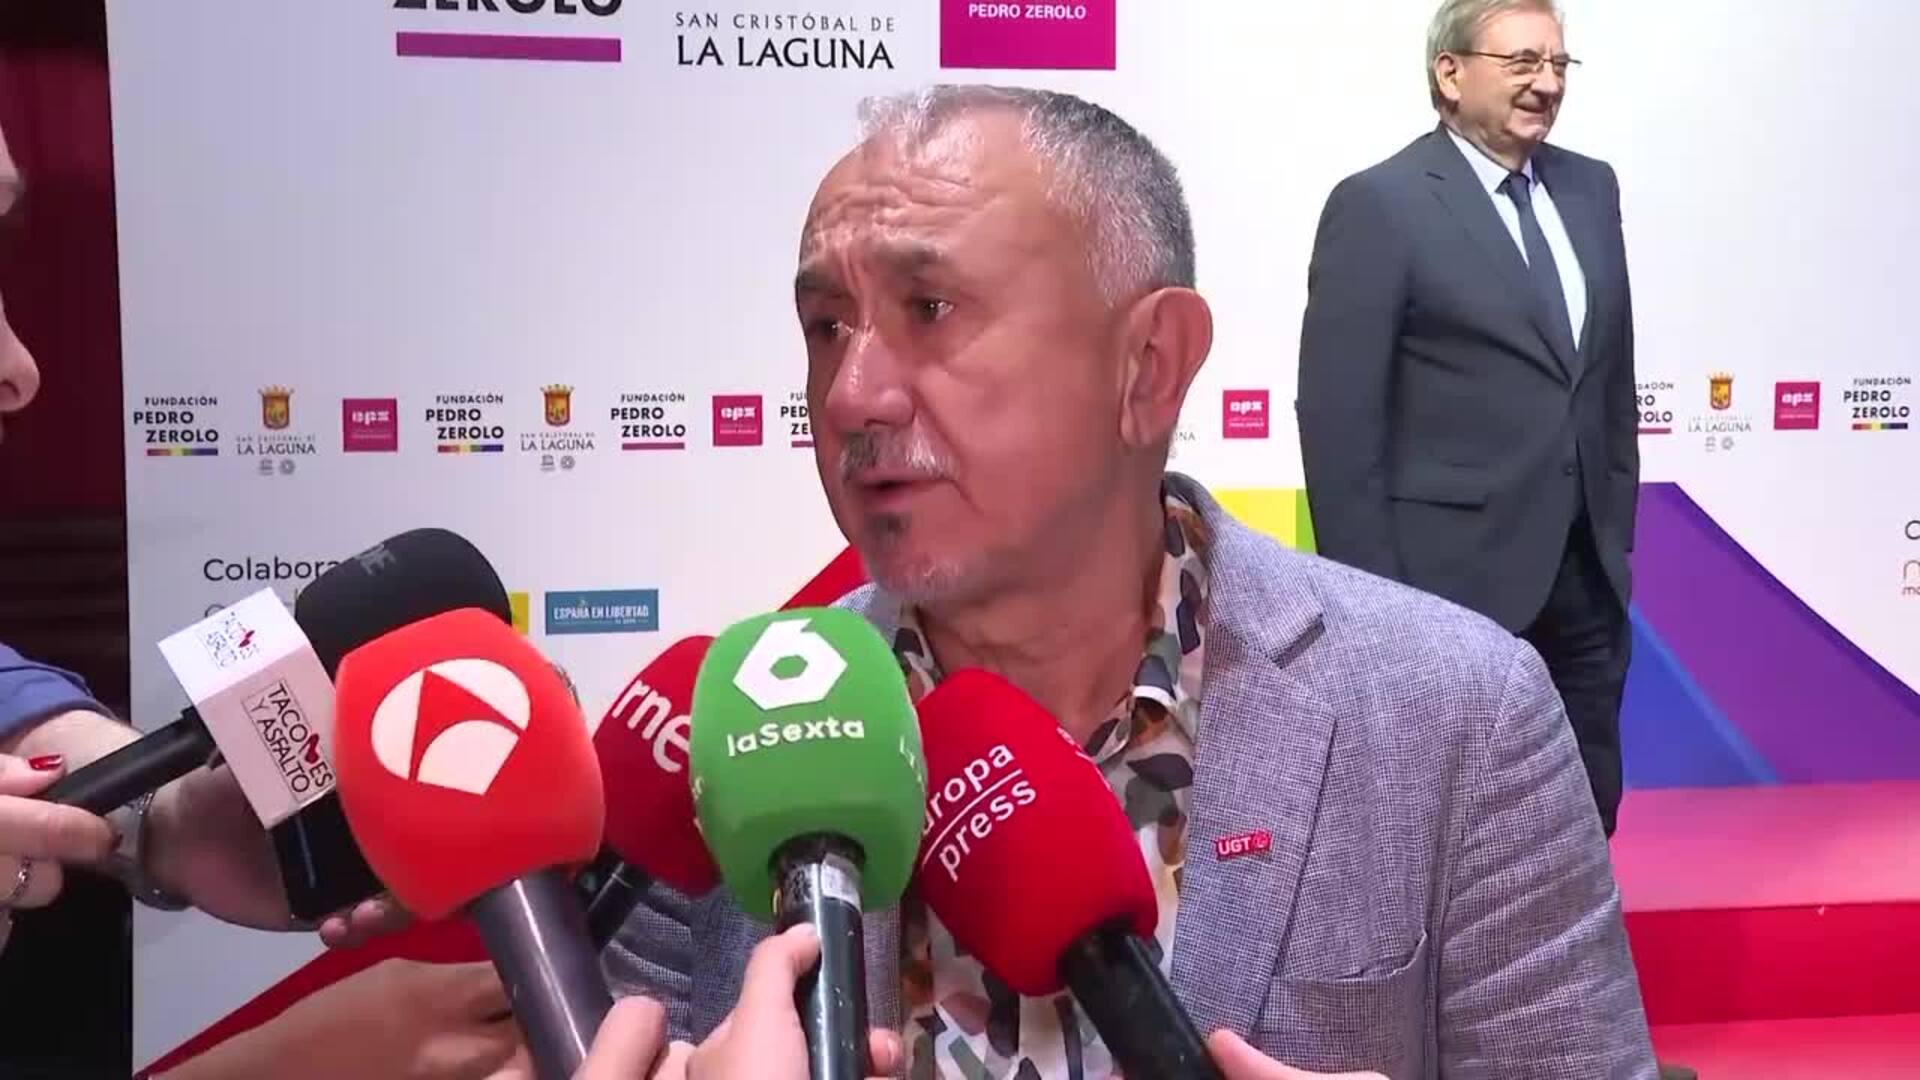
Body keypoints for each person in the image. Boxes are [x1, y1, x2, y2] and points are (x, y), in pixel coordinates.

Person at [608, 84, 1655, 1077]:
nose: (852, 393)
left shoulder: (1461, 719)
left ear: (1149, 364)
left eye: (930, 308)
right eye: (827, 327)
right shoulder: (722, 755)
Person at [1295, 0, 1639, 837]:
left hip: (1584, 578)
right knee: (1450, 831)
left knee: (1585, 815)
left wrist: (1616, 531)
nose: (1547, 83)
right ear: (1449, 73)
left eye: (1558, 63)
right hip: (1444, 592)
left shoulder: (1591, 188)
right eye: (1522, 62)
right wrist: (1374, 612)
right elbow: (1339, 426)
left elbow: (1607, 377)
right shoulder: (1380, 204)